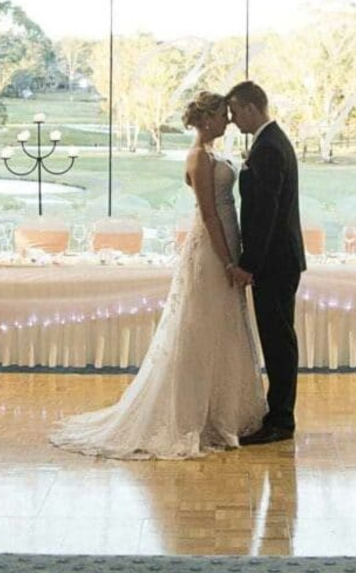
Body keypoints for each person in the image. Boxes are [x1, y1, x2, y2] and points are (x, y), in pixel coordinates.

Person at [49, 92, 264, 459]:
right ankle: (191, 415)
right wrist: (228, 261)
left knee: (224, 325)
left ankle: (223, 410)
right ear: (208, 120)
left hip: (230, 240)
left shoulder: (213, 153)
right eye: (223, 115)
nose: (229, 120)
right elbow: (210, 214)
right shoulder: (198, 157)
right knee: (201, 326)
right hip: (213, 249)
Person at [225, 80, 305, 444]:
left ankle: (281, 421)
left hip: (275, 261)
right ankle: (279, 415)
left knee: (278, 341)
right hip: (278, 259)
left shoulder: (269, 147)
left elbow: (266, 214)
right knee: (277, 338)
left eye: (235, 112)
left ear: (252, 108)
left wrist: (248, 264)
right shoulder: (269, 142)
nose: (233, 120)